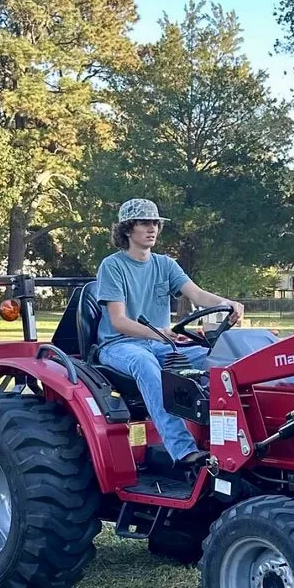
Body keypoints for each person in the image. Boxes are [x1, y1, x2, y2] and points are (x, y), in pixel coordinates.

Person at [95, 198, 244, 466]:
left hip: (161, 343)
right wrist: (159, 334)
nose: (152, 228)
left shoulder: (166, 265)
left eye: (155, 223)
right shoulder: (113, 266)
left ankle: (232, 441)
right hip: (120, 345)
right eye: (144, 223)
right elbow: (118, 321)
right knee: (146, 365)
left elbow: (197, 294)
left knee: (219, 361)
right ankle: (184, 452)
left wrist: (226, 303)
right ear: (128, 229)